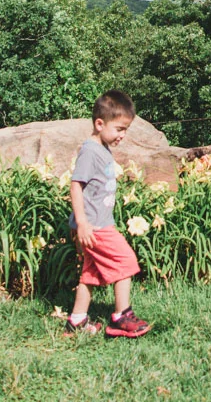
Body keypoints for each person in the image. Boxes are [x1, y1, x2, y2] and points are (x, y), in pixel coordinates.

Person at [64, 90, 152, 337]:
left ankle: (77, 321)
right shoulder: (90, 151)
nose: (122, 135)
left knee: (91, 274)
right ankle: (121, 316)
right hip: (94, 227)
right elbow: (75, 184)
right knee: (126, 262)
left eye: (126, 130)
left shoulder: (101, 148)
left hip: (98, 224)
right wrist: (81, 223)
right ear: (99, 123)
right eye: (119, 129)